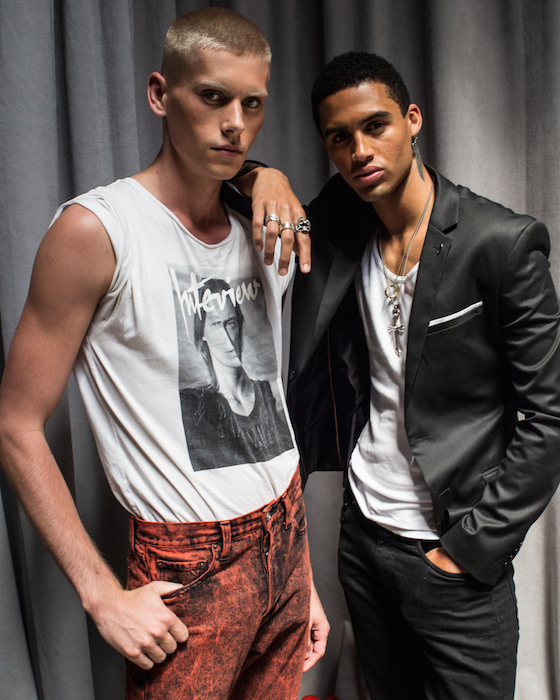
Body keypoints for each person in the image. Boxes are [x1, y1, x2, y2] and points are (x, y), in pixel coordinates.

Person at [0, 8, 328, 700]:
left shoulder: (259, 226)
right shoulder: (98, 230)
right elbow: (15, 423)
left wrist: (297, 573)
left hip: (286, 539)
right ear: (159, 94)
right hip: (192, 564)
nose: (234, 123)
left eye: (252, 104)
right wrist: (100, 594)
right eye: (212, 96)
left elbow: (264, 418)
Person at [280, 52, 560, 699]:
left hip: (452, 553)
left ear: (412, 119)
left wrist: (469, 550)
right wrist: (263, 174)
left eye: (375, 126)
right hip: (363, 538)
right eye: (339, 138)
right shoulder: (342, 225)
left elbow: (550, 417)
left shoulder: (500, 242)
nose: (360, 151)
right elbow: (229, 188)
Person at [180, 277, 293, 469]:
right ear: (203, 333)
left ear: (239, 325)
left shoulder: (263, 392)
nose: (227, 338)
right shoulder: (195, 405)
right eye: (216, 324)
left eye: (231, 323)